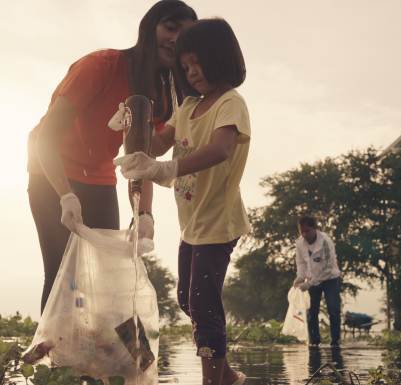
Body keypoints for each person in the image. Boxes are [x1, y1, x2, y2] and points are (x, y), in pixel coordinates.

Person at [27, 1, 197, 314]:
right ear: (149, 29)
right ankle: (56, 359)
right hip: (50, 172)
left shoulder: (160, 93)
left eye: (185, 35)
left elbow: (140, 160)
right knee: (62, 271)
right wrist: (65, 195)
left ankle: (103, 357)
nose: (175, 39)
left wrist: (144, 213)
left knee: (105, 276)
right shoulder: (100, 65)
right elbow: (46, 137)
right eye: (170, 28)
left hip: (99, 176)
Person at [115, 18, 249, 385]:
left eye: (198, 63)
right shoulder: (188, 107)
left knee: (204, 307)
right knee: (187, 301)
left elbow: (221, 150)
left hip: (219, 222)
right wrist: (132, 125)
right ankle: (228, 376)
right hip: (193, 225)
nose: (192, 73)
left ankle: (212, 380)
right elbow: (154, 145)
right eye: (186, 67)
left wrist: (168, 168)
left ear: (220, 58)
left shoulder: (229, 104)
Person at [292, 216, 343, 347]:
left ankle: (335, 341)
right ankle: (314, 341)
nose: (304, 234)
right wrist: (300, 277)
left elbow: (326, 269)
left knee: (333, 308)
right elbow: (301, 263)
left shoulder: (325, 242)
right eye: (301, 231)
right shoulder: (299, 243)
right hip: (312, 278)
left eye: (307, 231)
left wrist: (309, 284)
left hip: (330, 279)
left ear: (315, 229)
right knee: (312, 310)